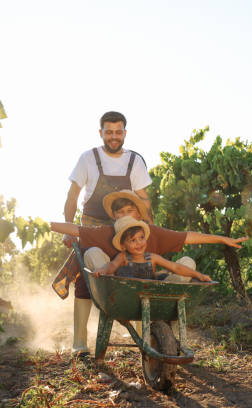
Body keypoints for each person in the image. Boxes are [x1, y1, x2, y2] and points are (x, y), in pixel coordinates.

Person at [50, 190, 249, 356]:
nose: (125, 214)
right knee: (92, 253)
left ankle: (162, 323)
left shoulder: (152, 233)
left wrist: (222, 239)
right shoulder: (106, 233)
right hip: (116, 293)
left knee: (188, 261)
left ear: (139, 215)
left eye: (130, 210)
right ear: (114, 216)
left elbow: (187, 237)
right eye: (120, 212)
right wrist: (51, 225)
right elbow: (77, 229)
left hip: (152, 293)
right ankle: (81, 341)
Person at [52, 111, 152, 357]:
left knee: (139, 274)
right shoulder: (88, 158)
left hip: (124, 226)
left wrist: (148, 231)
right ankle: (79, 344)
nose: (114, 136)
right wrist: (68, 227)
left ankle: (145, 339)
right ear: (101, 133)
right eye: (109, 132)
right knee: (86, 279)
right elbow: (72, 196)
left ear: (125, 133)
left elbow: (144, 202)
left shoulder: (135, 161)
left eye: (119, 132)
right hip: (93, 226)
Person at [93, 216, 212, 283]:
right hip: (130, 295)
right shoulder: (123, 257)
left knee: (180, 268)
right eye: (132, 240)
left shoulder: (152, 258)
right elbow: (112, 265)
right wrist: (103, 270)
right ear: (123, 246)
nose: (139, 243)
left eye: (141, 238)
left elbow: (175, 267)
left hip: (152, 294)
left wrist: (199, 275)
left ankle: (171, 289)